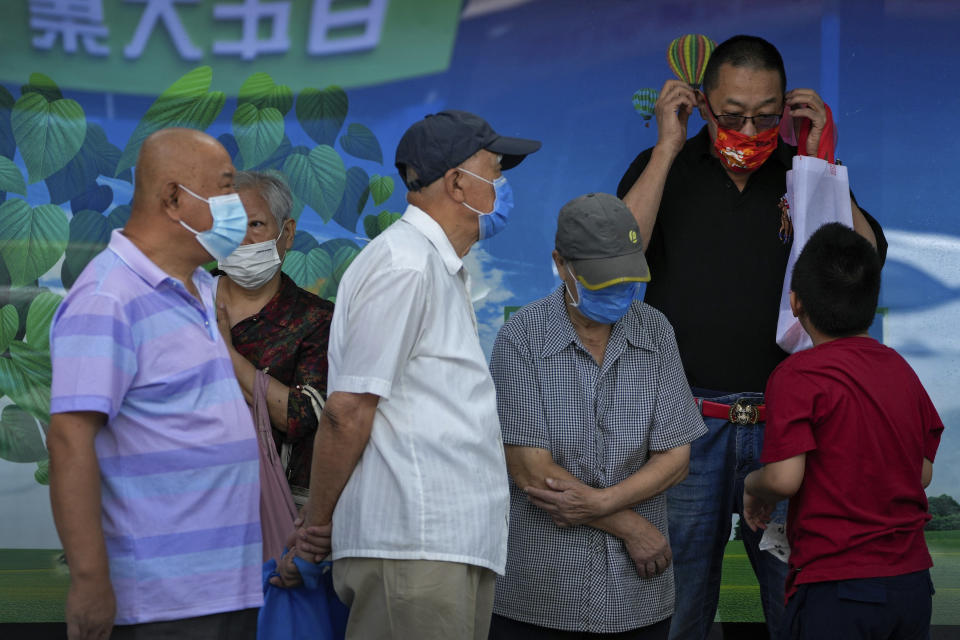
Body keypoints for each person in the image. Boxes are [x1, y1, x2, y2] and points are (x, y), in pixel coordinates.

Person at [615, 35, 888, 639]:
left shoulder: (806, 174)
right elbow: (614, 256)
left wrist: (824, 163)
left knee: (794, 603)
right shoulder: (666, 165)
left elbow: (866, 262)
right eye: (733, 114)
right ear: (702, 103)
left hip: (787, 427)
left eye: (766, 116)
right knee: (677, 606)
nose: (750, 128)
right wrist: (666, 147)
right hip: (687, 427)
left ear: (786, 108)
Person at [281, 110, 540, 639]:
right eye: (496, 170)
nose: (503, 186)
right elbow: (347, 410)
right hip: (414, 547)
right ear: (457, 183)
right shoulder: (405, 264)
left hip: (441, 546)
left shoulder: (432, 264)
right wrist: (318, 525)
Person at [47, 128, 262, 640]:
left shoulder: (203, 289)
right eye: (226, 187)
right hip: (161, 603)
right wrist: (90, 581)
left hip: (225, 589)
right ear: (173, 199)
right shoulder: (107, 297)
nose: (237, 205)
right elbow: (69, 439)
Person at [488, 192, 708, 639]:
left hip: (639, 592)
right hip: (543, 592)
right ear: (560, 263)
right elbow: (531, 470)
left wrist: (602, 503)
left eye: (626, 278)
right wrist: (629, 526)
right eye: (601, 280)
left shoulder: (655, 330)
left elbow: (675, 458)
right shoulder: (522, 338)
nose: (617, 292)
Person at [742, 222, 942, 640]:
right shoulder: (901, 370)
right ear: (872, 303)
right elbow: (922, 474)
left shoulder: (796, 374)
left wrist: (752, 485)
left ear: (795, 303)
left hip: (836, 587)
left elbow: (783, 478)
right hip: (911, 584)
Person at [214, 170, 334, 510]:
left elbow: (301, 417)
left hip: (273, 508)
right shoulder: (184, 299)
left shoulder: (316, 319)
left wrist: (226, 354)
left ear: (288, 232)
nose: (242, 239)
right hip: (185, 497)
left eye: (255, 225)